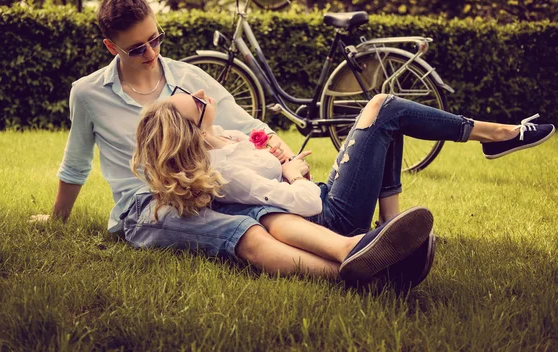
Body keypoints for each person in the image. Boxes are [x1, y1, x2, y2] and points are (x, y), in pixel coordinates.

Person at [30, 0, 346, 283]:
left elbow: (254, 129)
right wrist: (57, 218)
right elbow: (76, 163)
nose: (151, 53)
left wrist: (290, 166)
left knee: (267, 215)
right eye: (137, 49)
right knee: (245, 230)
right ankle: (355, 274)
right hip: (146, 206)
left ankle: (357, 252)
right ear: (111, 47)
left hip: (201, 193)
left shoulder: (189, 77)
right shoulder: (87, 93)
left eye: (155, 39)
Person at [131, 86, 555, 288]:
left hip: (318, 201)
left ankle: (390, 230)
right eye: (197, 101)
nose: (203, 93)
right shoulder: (225, 170)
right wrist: (294, 174)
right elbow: (298, 201)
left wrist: (279, 157)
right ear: (189, 126)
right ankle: (498, 135)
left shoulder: (225, 137)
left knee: (386, 123)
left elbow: (270, 164)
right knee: (383, 108)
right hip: (325, 212)